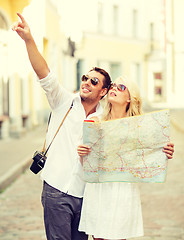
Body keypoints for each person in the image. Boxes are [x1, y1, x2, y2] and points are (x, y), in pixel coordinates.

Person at [12, 13, 112, 240]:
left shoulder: (105, 119)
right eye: (85, 78)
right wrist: (29, 40)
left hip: (86, 196)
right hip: (56, 190)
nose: (86, 82)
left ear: (103, 91)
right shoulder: (63, 101)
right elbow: (44, 73)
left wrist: (161, 149)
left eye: (94, 81)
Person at [77, 76, 174, 240]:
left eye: (121, 87)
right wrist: (82, 153)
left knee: (119, 236)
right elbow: (87, 164)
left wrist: (165, 151)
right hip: (99, 189)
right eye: (113, 85)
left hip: (123, 189)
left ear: (130, 98)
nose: (114, 88)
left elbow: (151, 155)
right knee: (99, 237)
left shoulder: (140, 127)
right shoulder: (95, 122)